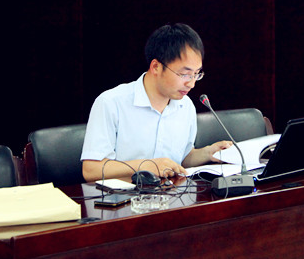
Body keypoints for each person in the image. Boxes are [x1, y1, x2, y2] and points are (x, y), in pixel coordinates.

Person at [81, 23, 232, 182]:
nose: (192, 83)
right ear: (156, 67)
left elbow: (182, 159)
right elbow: (91, 170)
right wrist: (146, 165)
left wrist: (208, 153)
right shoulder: (111, 103)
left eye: (196, 74)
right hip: (123, 195)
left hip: (171, 194)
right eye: (185, 74)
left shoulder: (185, 106)